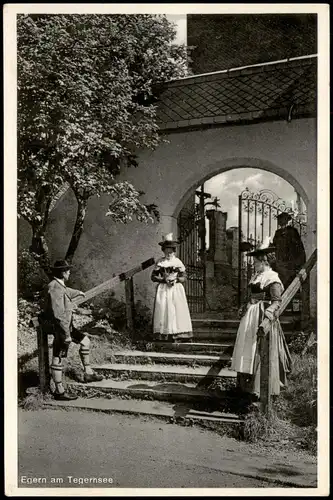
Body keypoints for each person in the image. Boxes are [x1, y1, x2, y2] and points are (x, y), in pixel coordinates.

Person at [231, 238, 292, 400]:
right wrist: (244, 307)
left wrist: (269, 311)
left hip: (261, 315)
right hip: (250, 315)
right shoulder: (256, 276)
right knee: (247, 347)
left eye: (257, 261)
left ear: (264, 261)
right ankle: (246, 386)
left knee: (258, 348)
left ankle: (259, 387)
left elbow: (277, 300)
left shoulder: (272, 277)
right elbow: (250, 296)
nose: (254, 264)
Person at [39, 260, 103, 401]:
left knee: (85, 341)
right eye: (67, 270)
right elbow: (58, 313)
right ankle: (59, 391)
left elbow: (66, 292)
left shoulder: (59, 285)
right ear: (62, 272)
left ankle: (88, 373)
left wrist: (78, 292)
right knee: (58, 356)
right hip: (61, 328)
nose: (69, 272)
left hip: (68, 326)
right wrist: (66, 335)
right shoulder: (54, 287)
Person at [151, 233, 193, 342]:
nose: (169, 253)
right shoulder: (160, 262)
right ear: (163, 250)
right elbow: (153, 277)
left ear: (174, 251)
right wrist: (163, 280)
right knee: (163, 308)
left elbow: (184, 276)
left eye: (171, 250)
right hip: (163, 289)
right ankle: (164, 334)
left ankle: (178, 334)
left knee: (177, 309)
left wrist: (177, 279)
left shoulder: (178, 262)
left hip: (176, 289)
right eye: (166, 250)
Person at [273, 212, 306, 289]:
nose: (279, 221)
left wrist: (298, 262)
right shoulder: (277, 233)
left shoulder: (292, 231)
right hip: (280, 261)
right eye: (278, 219)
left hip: (290, 263)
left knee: (288, 283)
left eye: (281, 219)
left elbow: (298, 247)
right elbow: (274, 245)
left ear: (286, 220)